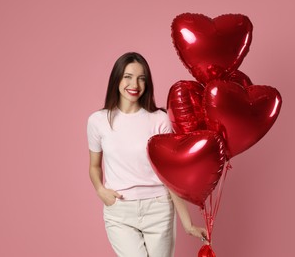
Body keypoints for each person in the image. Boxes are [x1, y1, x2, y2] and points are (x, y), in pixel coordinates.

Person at [87, 52, 207, 257]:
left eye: (141, 78)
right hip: (120, 210)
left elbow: (169, 176)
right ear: (116, 78)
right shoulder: (98, 121)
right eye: (128, 76)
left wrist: (188, 224)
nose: (135, 84)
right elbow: (94, 166)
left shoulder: (160, 120)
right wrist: (100, 190)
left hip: (158, 209)